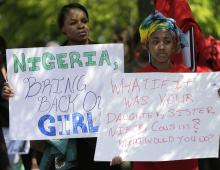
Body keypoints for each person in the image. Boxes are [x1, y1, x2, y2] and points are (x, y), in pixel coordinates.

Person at [2, 2, 121, 170]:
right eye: (73, 23)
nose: (81, 25)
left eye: (84, 21)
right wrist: (14, 94)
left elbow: (120, 100)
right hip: (64, 148)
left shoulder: (107, 57)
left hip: (100, 143)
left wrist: (116, 145)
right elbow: (35, 96)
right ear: (62, 29)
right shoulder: (49, 63)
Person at [111, 11, 199, 170]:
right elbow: (125, 120)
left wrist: (214, 99)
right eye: (155, 41)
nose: (161, 46)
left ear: (175, 45)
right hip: (146, 161)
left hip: (184, 160)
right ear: (146, 45)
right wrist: (117, 149)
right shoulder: (135, 80)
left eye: (167, 41)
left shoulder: (188, 76)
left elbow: (202, 112)